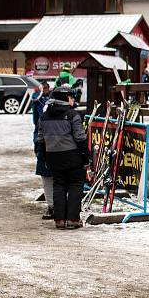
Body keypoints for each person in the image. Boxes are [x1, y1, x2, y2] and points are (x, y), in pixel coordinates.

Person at [38, 85, 88, 229]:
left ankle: (59, 219)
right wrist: (85, 158)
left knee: (58, 185)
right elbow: (80, 137)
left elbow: (41, 140)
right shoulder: (72, 115)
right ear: (65, 99)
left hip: (53, 156)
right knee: (75, 185)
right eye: (71, 98)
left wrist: (45, 157)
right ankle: (73, 219)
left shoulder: (44, 116)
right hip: (72, 156)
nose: (73, 100)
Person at [32, 81, 53, 219]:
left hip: (45, 147)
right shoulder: (37, 98)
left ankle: (52, 206)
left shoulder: (38, 101)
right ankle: (55, 205)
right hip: (60, 150)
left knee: (48, 178)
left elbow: (36, 120)